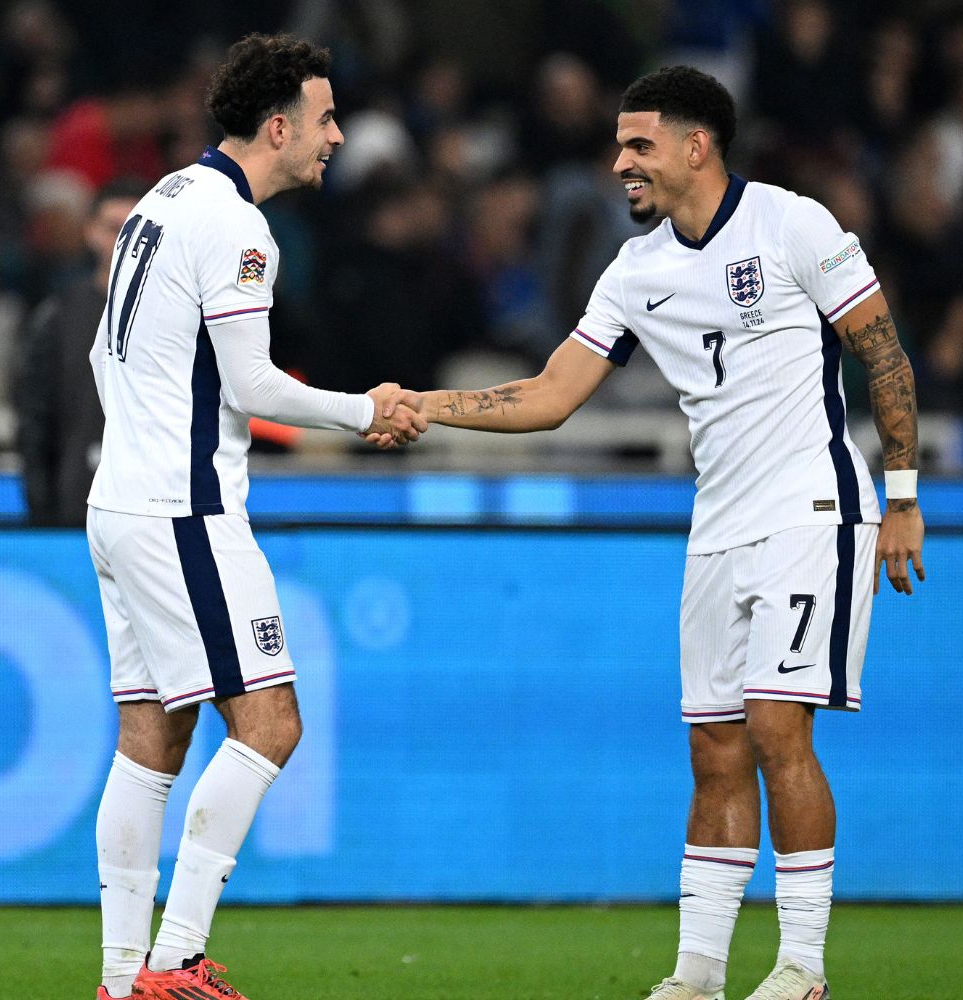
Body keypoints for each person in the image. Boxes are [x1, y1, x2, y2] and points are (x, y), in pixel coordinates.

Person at [395, 66, 925, 1000]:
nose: (619, 163)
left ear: (696, 145)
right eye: (618, 145)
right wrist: (425, 405)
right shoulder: (635, 269)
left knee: (775, 730)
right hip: (716, 525)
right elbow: (552, 396)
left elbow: (881, 349)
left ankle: (803, 968)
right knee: (714, 748)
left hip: (812, 507)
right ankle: (698, 975)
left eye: (637, 145)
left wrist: (905, 496)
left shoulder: (792, 223)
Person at [85, 33, 422, 1000]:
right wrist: (365, 410)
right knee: (271, 723)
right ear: (277, 127)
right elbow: (251, 382)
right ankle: (176, 961)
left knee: (150, 737)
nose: (336, 136)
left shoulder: (154, 205)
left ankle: (120, 981)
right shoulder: (237, 227)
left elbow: (105, 359)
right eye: (323, 119)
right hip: (184, 512)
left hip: (120, 502)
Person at [16, 177, 150, 527]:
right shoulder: (58, 316)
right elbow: (34, 420)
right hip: (74, 508)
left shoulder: (181, 317)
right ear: (90, 232)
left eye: (135, 228)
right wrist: (41, 509)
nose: (124, 240)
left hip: (154, 511)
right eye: (113, 227)